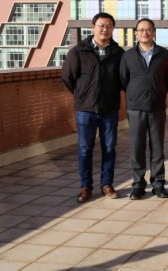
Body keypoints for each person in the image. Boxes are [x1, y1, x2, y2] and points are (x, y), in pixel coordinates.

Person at [62, 12, 124, 203]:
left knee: (109, 148)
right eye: (101, 25)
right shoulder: (79, 51)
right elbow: (67, 77)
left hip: (109, 109)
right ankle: (85, 187)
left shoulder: (118, 53)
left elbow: (123, 79)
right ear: (93, 27)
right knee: (84, 149)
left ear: (113, 29)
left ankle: (107, 184)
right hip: (86, 110)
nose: (105, 29)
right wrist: (82, 94)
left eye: (109, 26)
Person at [120, 18, 168, 200]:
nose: (145, 32)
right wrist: (136, 94)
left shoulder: (164, 54)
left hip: (157, 107)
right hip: (136, 108)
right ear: (136, 33)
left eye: (148, 29)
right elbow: (124, 80)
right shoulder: (128, 56)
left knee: (157, 148)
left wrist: (158, 92)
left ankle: (158, 184)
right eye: (141, 30)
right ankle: (138, 185)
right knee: (137, 148)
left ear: (154, 32)